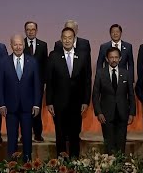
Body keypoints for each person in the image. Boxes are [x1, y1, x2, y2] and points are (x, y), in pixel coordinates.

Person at [46, 27, 91, 159]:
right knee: (59, 134)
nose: (67, 40)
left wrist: (85, 101)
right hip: (58, 103)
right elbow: (49, 81)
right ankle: (61, 163)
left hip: (77, 103)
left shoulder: (83, 55)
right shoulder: (53, 56)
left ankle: (74, 161)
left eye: (69, 38)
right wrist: (49, 102)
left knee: (74, 134)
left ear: (74, 39)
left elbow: (87, 80)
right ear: (61, 39)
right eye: (64, 38)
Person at [0, 34, 41, 162]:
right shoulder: (4, 61)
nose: (18, 47)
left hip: (28, 107)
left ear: (24, 45)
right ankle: (12, 165)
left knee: (27, 137)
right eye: (15, 44)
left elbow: (37, 85)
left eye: (20, 44)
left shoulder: (32, 61)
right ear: (11, 45)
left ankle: (27, 164)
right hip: (10, 107)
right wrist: (1, 104)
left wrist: (37, 104)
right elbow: (0, 85)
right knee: (12, 138)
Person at [92, 47, 136, 154]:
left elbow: (131, 94)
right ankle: (110, 168)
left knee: (121, 145)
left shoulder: (126, 73)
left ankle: (120, 167)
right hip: (106, 115)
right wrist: (99, 112)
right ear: (107, 59)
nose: (114, 60)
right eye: (111, 57)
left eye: (116, 57)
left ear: (120, 58)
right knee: (109, 145)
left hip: (123, 114)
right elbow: (96, 94)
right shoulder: (100, 73)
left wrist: (131, 113)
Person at [23, 21, 47, 142]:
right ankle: (24, 135)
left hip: (38, 83)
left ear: (36, 31)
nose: (30, 31)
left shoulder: (43, 45)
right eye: (28, 29)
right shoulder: (20, 44)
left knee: (37, 108)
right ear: (25, 31)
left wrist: (44, 82)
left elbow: (45, 65)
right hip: (24, 84)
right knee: (25, 109)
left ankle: (38, 133)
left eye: (33, 29)